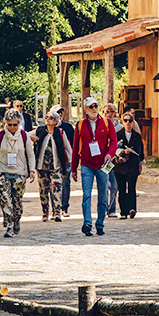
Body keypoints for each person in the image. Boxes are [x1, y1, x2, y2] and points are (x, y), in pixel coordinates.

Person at [70, 96, 116, 236]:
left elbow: (114, 142)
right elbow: (75, 147)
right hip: (86, 164)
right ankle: (87, 222)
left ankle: (100, 223)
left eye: (96, 106)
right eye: (91, 107)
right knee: (87, 195)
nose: (94, 109)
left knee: (103, 194)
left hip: (103, 164)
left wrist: (110, 154)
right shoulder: (79, 125)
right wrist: (73, 168)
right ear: (85, 109)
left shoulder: (107, 123)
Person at [0, 109, 34, 236]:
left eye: (15, 124)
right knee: (5, 199)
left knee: (17, 200)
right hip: (2, 170)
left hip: (19, 172)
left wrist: (32, 170)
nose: (12, 127)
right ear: (6, 124)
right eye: (10, 124)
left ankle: (16, 219)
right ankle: (9, 225)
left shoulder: (24, 136)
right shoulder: (0, 136)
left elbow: (30, 154)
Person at [32, 109, 71, 221]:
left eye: (51, 118)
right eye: (46, 117)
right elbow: (24, 134)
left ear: (56, 121)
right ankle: (45, 213)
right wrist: (32, 138)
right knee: (43, 191)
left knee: (57, 189)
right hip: (42, 167)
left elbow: (67, 148)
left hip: (56, 167)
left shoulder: (60, 132)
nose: (48, 120)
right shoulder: (40, 130)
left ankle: (57, 212)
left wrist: (71, 164)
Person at [112, 110, 145, 219]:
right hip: (120, 166)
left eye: (130, 121)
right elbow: (114, 149)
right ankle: (123, 211)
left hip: (133, 165)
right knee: (121, 189)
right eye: (125, 120)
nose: (128, 123)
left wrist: (141, 163)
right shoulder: (118, 134)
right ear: (122, 121)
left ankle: (132, 209)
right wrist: (122, 151)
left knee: (132, 188)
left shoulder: (137, 136)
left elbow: (141, 151)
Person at [103, 103, 121, 217]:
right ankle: (104, 208)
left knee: (114, 186)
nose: (106, 114)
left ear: (114, 112)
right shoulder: (101, 126)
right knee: (105, 184)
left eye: (108, 111)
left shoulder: (120, 128)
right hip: (105, 161)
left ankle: (112, 209)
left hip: (116, 161)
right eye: (104, 111)